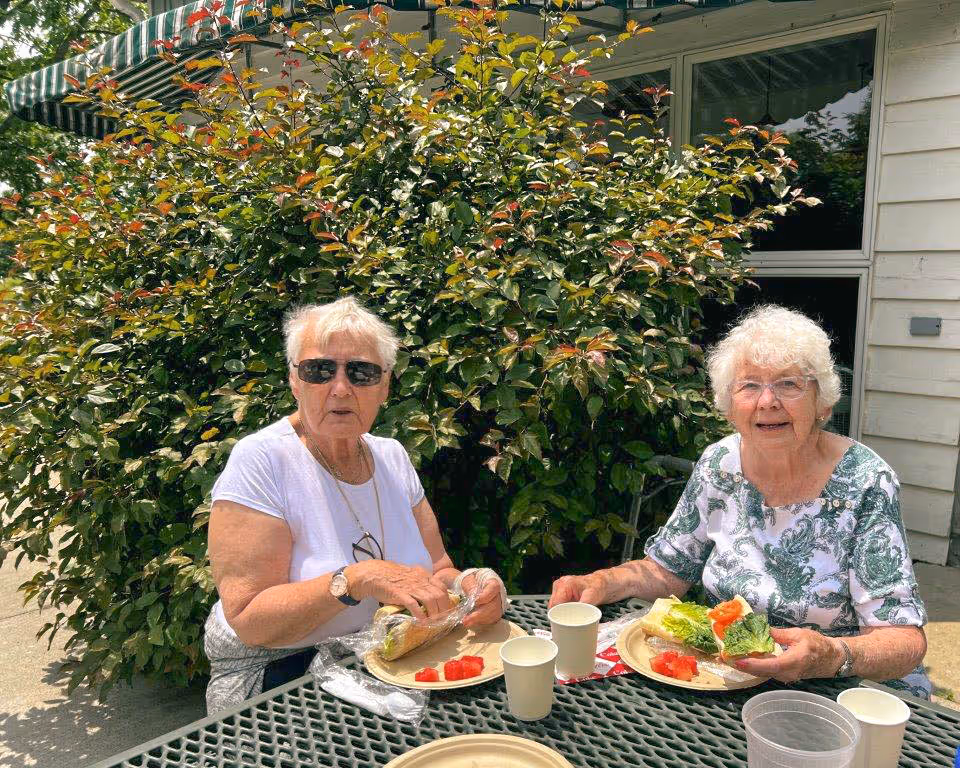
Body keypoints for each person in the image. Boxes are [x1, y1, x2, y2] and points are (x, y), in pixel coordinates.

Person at [550, 305, 930, 697]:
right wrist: (602, 581)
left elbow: (902, 640)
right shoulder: (720, 463)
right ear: (730, 407)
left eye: (789, 384)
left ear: (823, 403)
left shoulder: (865, 481)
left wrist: (833, 655)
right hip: (728, 677)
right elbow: (668, 571)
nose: (767, 401)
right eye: (749, 385)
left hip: (842, 688)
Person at [203, 296, 506, 713]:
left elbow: (437, 567)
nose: (341, 387)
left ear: (384, 386)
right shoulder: (262, 460)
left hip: (384, 657)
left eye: (361, 372)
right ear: (295, 380)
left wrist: (471, 586)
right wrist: (354, 579)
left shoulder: (392, 456)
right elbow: (249, 619)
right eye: (319, 370)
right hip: (279, 673)